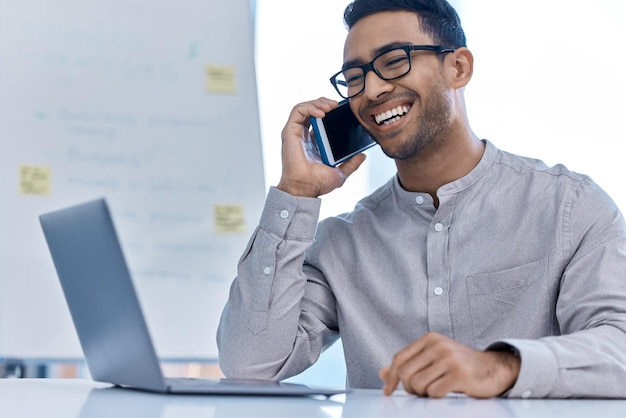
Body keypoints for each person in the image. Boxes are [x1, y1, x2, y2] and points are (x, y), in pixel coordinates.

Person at [217, 0, 626, 398]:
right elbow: (249, 363)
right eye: (354, 77)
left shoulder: (570, 208)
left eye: (394, 61)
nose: (372, 89)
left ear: (459, 67)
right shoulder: (341, 244)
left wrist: (500, 367)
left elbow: (619, 349)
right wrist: (297, 192)